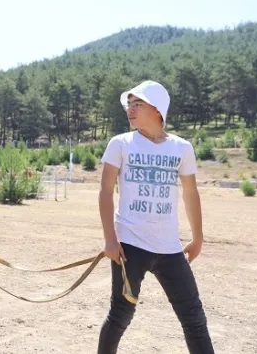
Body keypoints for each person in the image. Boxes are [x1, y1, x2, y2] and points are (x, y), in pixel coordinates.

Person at [97, 80, 214, 354]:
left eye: (138, 104)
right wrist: (110, 240)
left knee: (194, 318)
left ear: (158, 110)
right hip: (129, 247)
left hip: (170, 248)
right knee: (120, 316)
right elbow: (105, 192)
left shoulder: (181, 148)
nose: (130, 109)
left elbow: (190, 194)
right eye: (130, 104)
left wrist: (197, 237)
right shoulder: (120, 144)